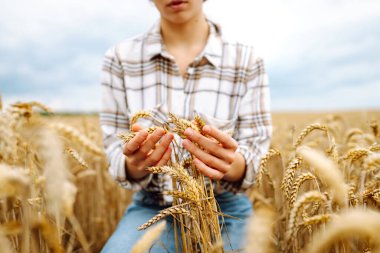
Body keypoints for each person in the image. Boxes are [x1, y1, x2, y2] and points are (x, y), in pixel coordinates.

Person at [100, 0, 272, 252]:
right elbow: (115, 152)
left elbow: (257, 155)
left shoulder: (246, 60)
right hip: (154, 205)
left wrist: (230, 164)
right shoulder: (119, 59)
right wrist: (135, 164)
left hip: (226, 206)